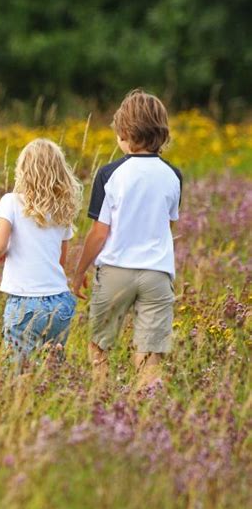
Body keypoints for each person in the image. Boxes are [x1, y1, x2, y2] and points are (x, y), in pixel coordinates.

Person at [72, 89, 182, 389]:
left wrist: (79, 271)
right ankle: (147, 413)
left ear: (124, 132)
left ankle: (101, 402)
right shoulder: (173, 175)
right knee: (150, 354)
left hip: (115, 271)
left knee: (99, 346)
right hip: (157, 274)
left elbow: (99, 233)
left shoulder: (110, 174)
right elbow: (168, 225)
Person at [0, 138, 82, 368]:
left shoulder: (11, 201)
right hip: (60, 301)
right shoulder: (62, 210)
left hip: (25, 302)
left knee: (17, 370)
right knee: (52, 369)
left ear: (23, 171)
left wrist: (3, 251)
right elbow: (60, 260)